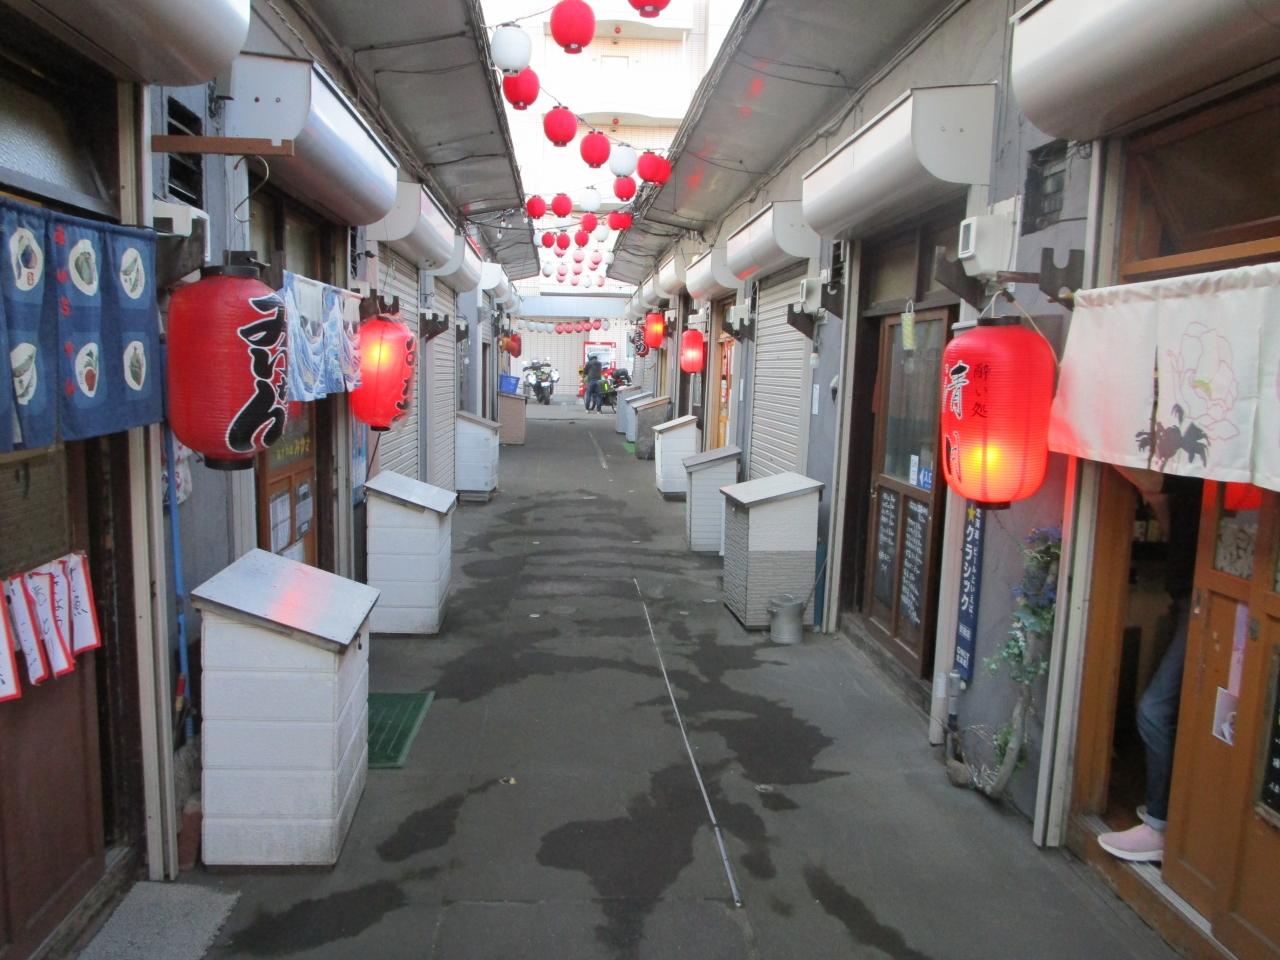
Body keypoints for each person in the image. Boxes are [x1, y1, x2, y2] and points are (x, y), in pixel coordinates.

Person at [1097, 468, 1202, 862]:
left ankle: (1160, 825)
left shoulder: (1198, 470)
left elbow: (1154, 489)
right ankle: (1171, 816)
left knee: (1154, 710)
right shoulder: (1196, 473)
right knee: (1173, 711)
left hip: (1202, 606)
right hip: (1187, 600)